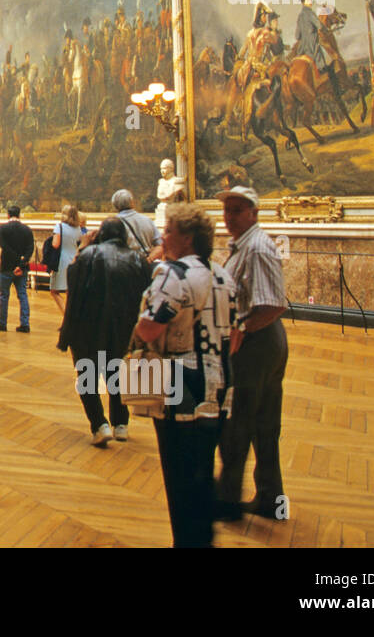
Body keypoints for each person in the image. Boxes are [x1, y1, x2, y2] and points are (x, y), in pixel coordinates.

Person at [131, 203, 235, 548]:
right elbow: (236, 334)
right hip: (218, 387)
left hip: (180, 388)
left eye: (170, 230)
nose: (163, 235)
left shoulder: (173, 274)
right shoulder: (223, 274)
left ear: (187, 238)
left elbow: (148, 328)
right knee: (202, 473)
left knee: (179, 477)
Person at [214, 185, 289, 522]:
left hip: (256, 342)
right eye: (227, 210)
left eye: (237, 210)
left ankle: (227, 500)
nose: (229, 217)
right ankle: (270, 498)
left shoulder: (256, 248)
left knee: (237, 423)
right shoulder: (246, 244)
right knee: (264, 423)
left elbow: (272, 304)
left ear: (254, 213)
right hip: (262, 340)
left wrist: (241, 330)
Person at [57, 218, 152, 445]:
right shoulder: (138, 259)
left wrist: (82, 247)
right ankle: (121, 425)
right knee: (116, 374)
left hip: (87, 327)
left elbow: (72, 280)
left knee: (88, 376)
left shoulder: (88, 255)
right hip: (123, 327)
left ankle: (100, 425)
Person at [0, 205, 35, 333]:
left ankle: (2, 323)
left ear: (8, 215)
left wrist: (16, 261)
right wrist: (21, 263)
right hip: (21, 269)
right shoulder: (27, 229)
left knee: (4, 296)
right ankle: (25, 324)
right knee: (22, 294)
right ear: (19, 214)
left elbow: (4, 246)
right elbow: (30, 249)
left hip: (6, 266)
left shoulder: (3, 228)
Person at [48, 204, 86, 314]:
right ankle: (71, 315)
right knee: (69, 290)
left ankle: (67, 316)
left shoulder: (59, 227)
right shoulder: (78, 228)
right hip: (74, 259)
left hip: (62, 260)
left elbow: (55, 244)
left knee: (54, 291)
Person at [111, 189, 160, 258]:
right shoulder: (147, 220)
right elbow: (160, 246)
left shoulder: (113, 223)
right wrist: (149, 260)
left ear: (115, 205)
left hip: (124, 265)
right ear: (132, 202)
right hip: (146, 263)